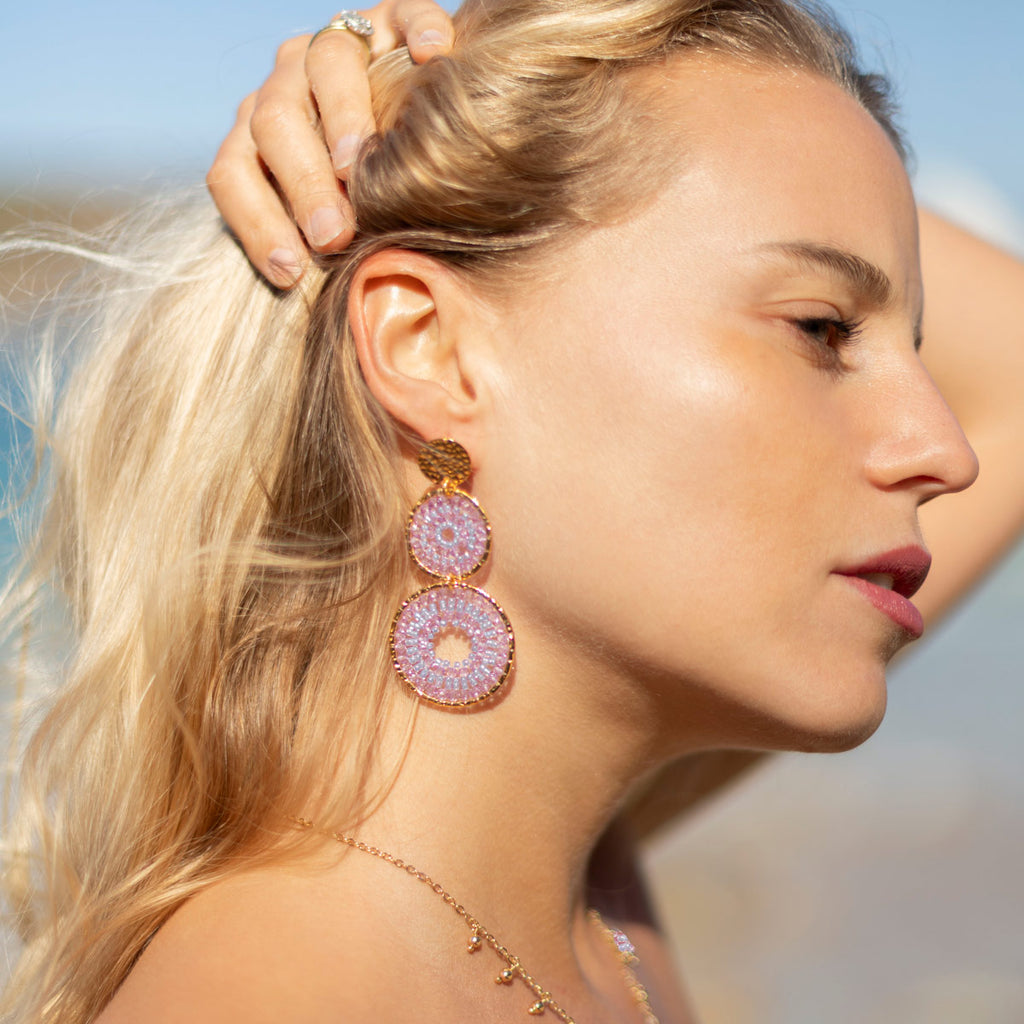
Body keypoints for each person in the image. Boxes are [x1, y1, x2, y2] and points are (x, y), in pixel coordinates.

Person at [2, 0, 1022, 1021]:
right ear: (429, 350)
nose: (945, 451)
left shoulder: (575, 898)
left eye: (912, 348)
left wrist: (455, 96)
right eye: (822, 329)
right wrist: (481, 91)